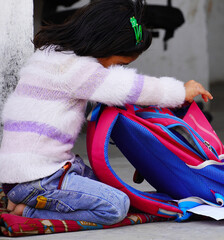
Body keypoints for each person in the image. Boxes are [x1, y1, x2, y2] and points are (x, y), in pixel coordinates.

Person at [0, 0, 212, 225]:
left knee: (116, 191)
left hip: (32, 174)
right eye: (119, 63)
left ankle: (24, 198)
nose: (116, 71)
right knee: (116, 205)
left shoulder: (52, 56)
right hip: (39, 178)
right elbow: (131, 88)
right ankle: (27, 212)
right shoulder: (77, 71)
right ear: (103, 44)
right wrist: (180, 91)